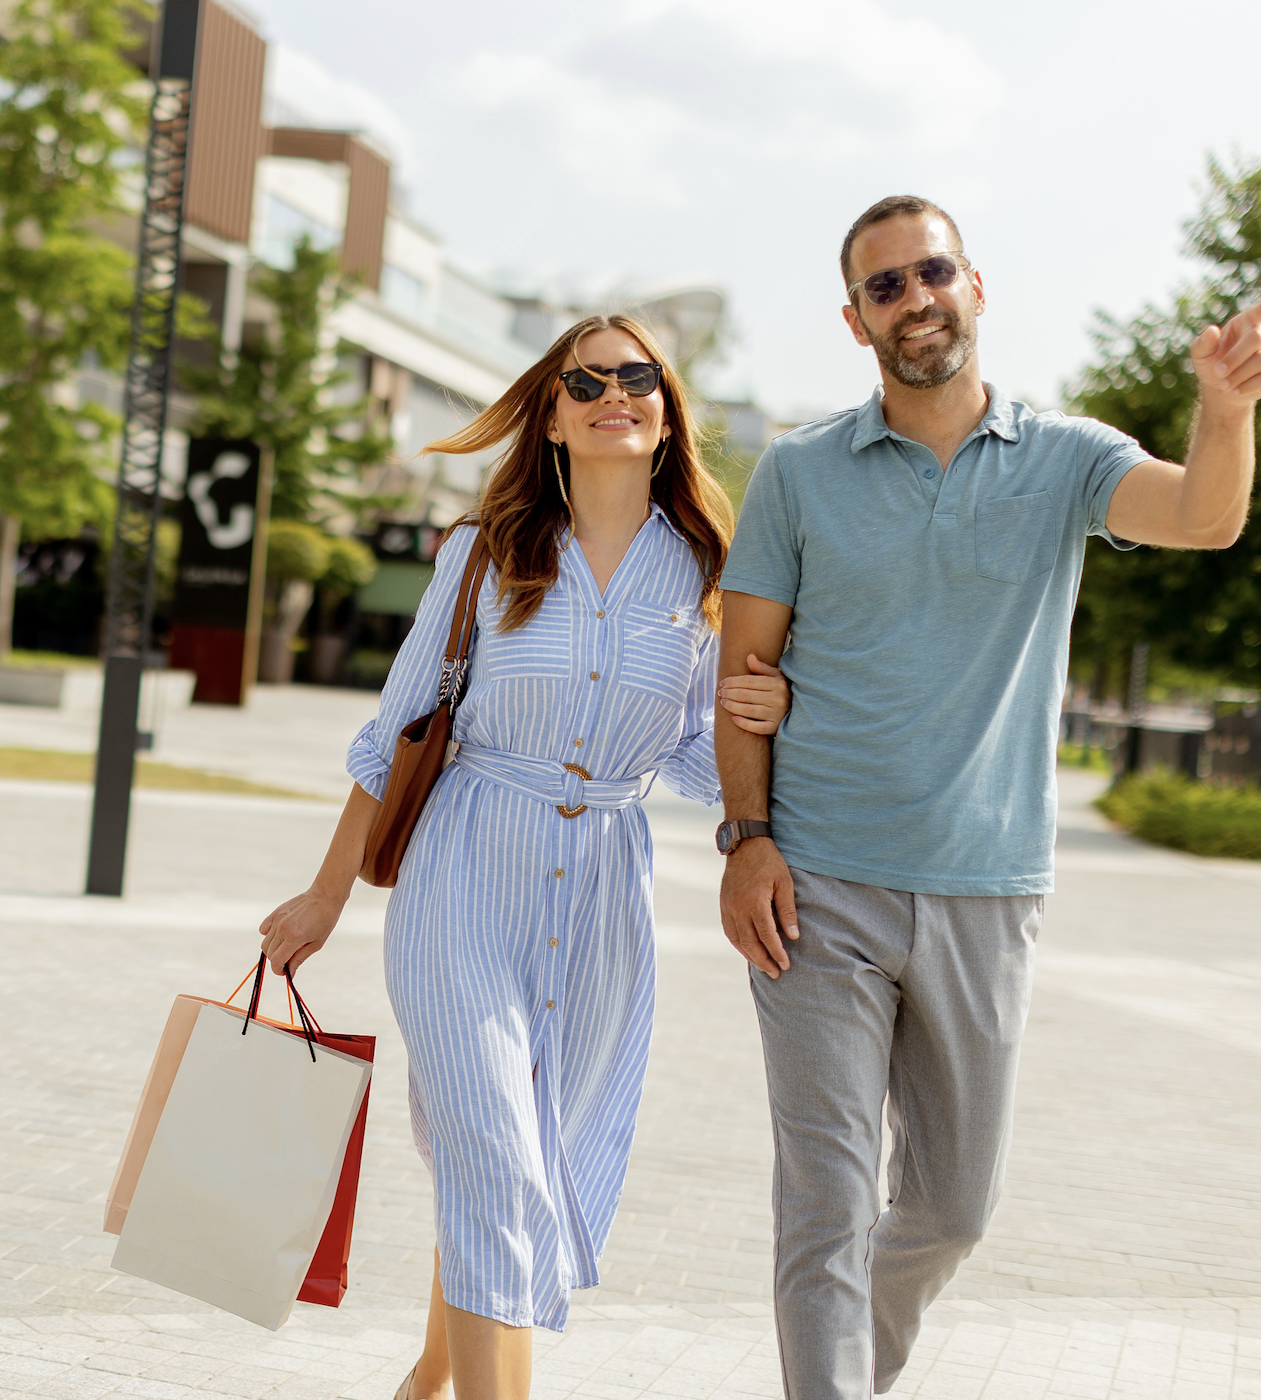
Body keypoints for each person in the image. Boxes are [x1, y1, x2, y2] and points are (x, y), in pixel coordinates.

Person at [713, 194, 1261, 1397]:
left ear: (975, 286)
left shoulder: (1067, 458)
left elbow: (1205, 514)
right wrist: (747, 838)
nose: (914, 297)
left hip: (988, 884)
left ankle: (841, 1372)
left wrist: (1225, 404)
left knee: (953, 1205)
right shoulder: (798, 470)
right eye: (885, 285)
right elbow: (743, 671)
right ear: (854, 318)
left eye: (932, 271)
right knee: (826, 1202)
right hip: (818, 883)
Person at [258, 314, 791, 1400]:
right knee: (497, 1151)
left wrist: (766, 709)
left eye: (634, 376)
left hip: (602, 893)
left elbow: (693, 758)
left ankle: (422, 1385)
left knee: (519, 1160)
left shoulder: (706, 572)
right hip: (464, 870)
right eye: (583, 379)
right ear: (550, 411)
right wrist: (324, 895)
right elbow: (394, 728)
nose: (611, 392)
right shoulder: (483, 553)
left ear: (664, 407)